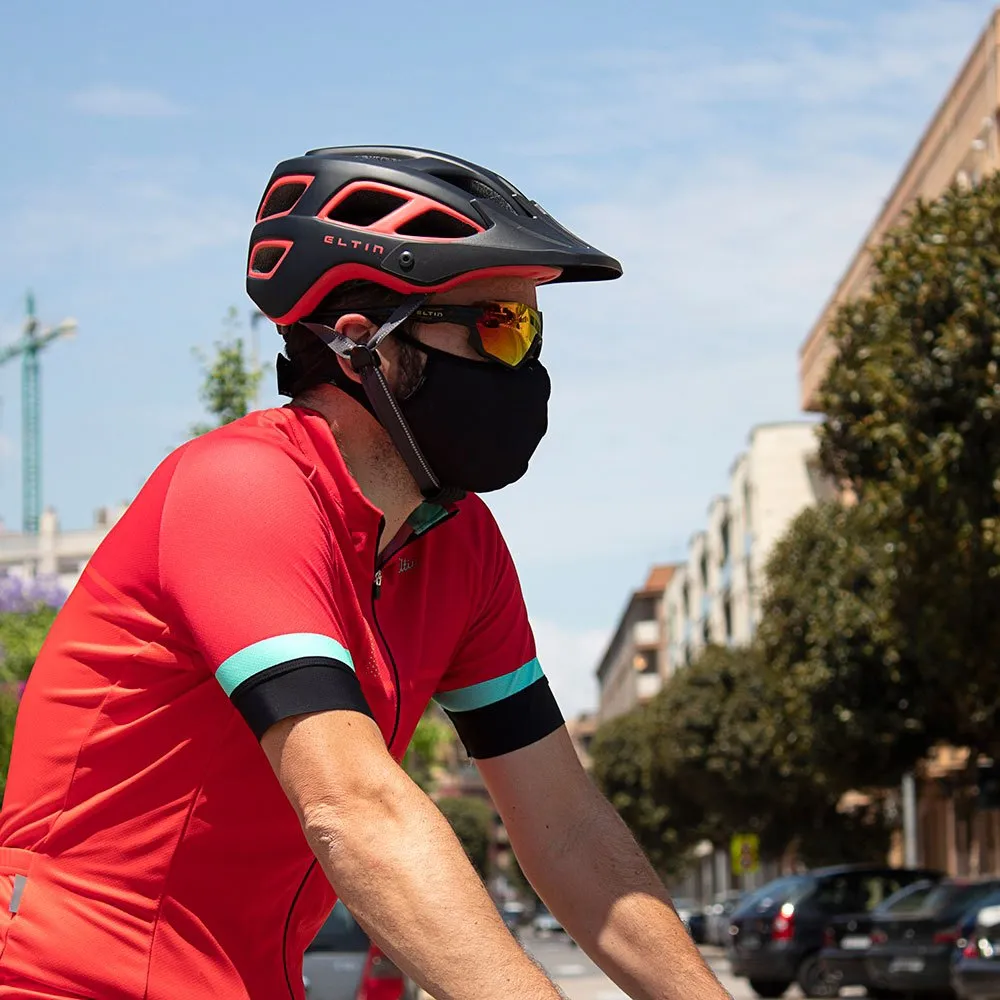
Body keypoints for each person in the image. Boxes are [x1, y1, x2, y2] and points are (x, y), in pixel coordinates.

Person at [0, 146, 729, 1000]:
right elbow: (353, 807)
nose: (526, 367)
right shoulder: (241, 488)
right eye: (498, 326)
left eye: (531, 333)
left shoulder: (460, 544)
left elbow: (564, 828)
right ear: (361, 344)